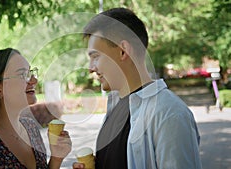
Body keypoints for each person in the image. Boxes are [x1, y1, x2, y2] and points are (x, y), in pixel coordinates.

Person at [73, 8, 202, 169]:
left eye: (95, 56)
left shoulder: (169, 113)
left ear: (123, 51)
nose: (90, 68)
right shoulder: (115, 106)